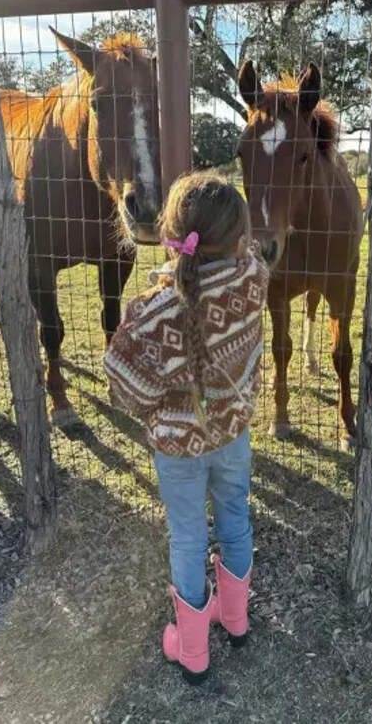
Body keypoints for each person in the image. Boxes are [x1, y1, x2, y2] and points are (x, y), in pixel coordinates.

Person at [104, 171, 269, 685]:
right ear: (238, 237)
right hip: (233, 437)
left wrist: (161, 401)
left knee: (189, 538)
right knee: (235, 522)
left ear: (170, 232)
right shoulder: (253, 278)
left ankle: (192, 650)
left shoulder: (151, 314)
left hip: (177, 450)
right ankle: (235, 620)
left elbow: (124, 386)